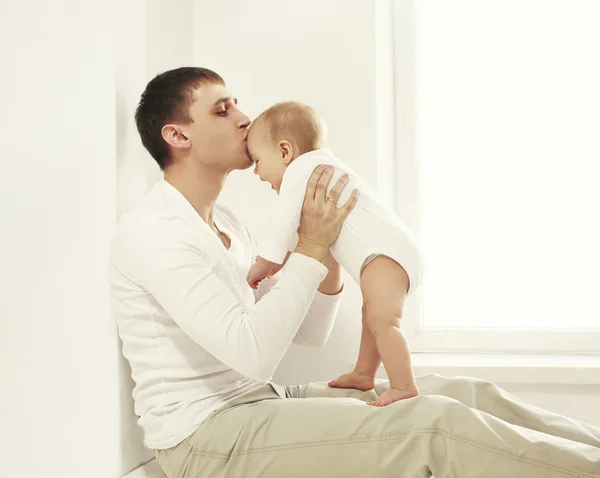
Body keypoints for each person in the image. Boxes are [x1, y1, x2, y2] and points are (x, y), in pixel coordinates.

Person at [109, 67, 600, 478]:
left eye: (238, 104)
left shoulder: (229, 226)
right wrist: (310, 245)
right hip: (206, 438)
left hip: (258, 400)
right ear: (177, 135)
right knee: (433, 425)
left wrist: (325, 250)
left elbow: (310, 331)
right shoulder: (155, 232)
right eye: (222, 110)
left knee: (458, 392)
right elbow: (252, 352)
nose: (244, 119)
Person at [245, 100, 423, 406]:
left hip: (386, 255)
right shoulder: (322, 169)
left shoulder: (302, 172)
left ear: (285, 152)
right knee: (371, 315)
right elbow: (298, 233)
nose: (256, 172)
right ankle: (364, 373)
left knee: (383, 321)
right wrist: (283, 259)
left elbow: (282, 225)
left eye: (258, 160)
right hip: (391, 252)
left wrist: (263, 264)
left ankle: (403, 385)